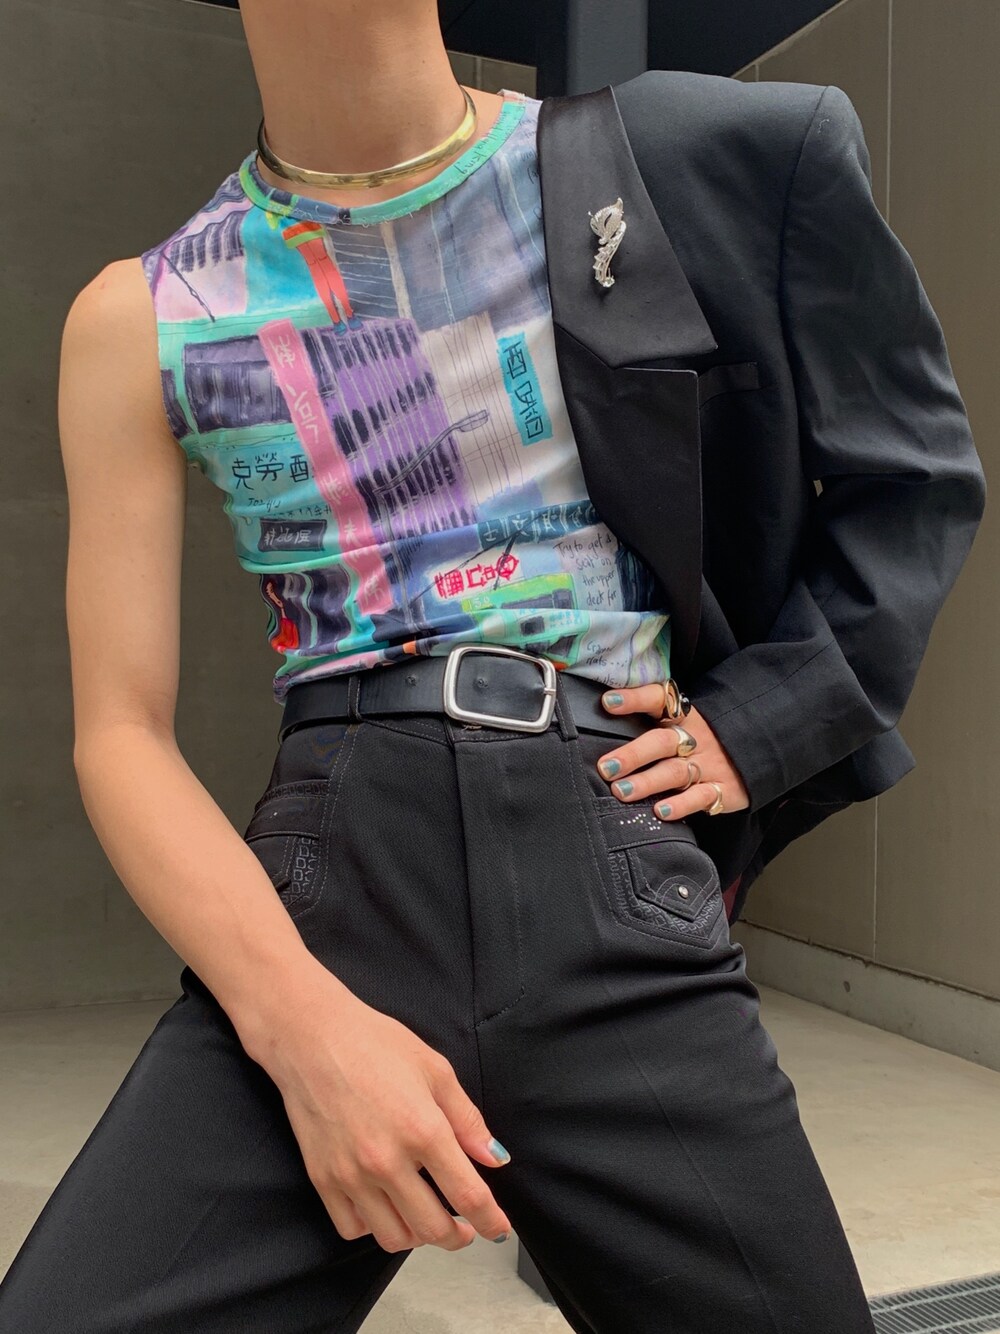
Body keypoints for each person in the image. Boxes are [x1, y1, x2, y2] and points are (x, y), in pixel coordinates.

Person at [0, 0, 984, 1330]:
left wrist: (759, 723)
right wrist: (303, 1033)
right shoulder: (144, 314)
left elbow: (912, 481)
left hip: (612, 857)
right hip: (331, 891)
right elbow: (119, 733)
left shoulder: (682, 163)